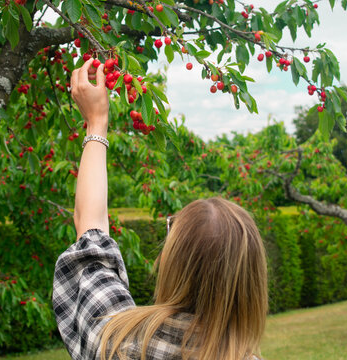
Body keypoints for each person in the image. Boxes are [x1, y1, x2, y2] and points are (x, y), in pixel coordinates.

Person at [52, 59, 268, 360]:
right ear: (252, 282)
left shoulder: (116, 339)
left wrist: (97, 121)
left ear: (170, 260)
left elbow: (90, 229)